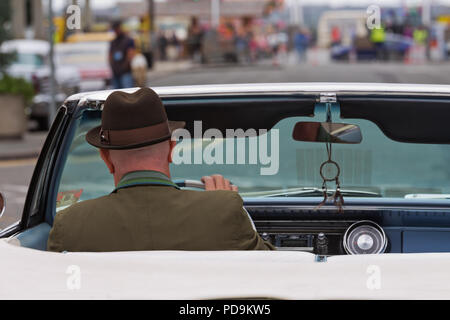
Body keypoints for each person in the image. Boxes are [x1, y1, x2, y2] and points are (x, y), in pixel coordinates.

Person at [47, 88, 274, 252]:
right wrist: (224, 204)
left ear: (106, 159)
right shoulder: (223, 211)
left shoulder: (70, 226)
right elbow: (274, 275)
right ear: (171, 149)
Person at [109, 21, 136, 89]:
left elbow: (130, 55)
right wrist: (113, 67)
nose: (116, 31)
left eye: (117, 29)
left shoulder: (129, 40)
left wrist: (124, 67)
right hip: (115, 72)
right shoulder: (113, 42)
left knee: (127, 92)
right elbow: (110, 55)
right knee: (116, 94)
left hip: (126, 72)